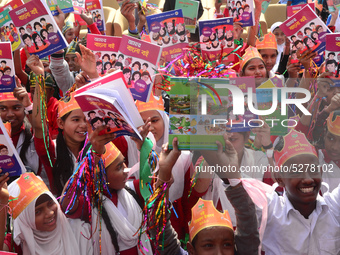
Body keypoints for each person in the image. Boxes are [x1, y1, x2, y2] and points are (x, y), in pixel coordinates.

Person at [7, 172, 93, 254]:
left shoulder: (80, 233)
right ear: (24, 219)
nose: (50, 213)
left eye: (51, 203)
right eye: (38, 212)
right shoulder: (16, 246)